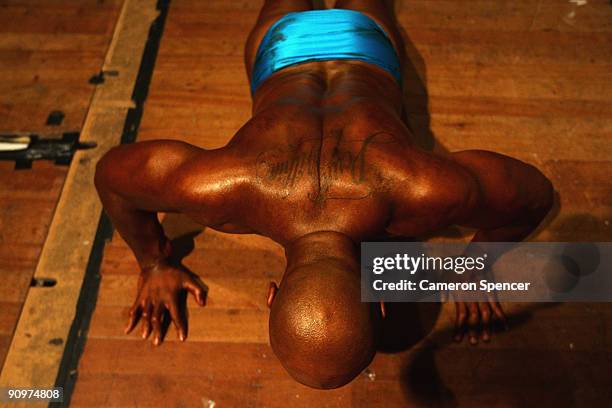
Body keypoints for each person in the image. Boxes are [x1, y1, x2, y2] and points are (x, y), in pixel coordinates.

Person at [94, 0, 553, 389]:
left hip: (364, 47)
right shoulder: (218, 188)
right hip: (283, 47)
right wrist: (153, 260)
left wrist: (156, 261)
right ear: (272, 294)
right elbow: (112, 177)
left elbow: (534, 195)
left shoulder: (423, 192)